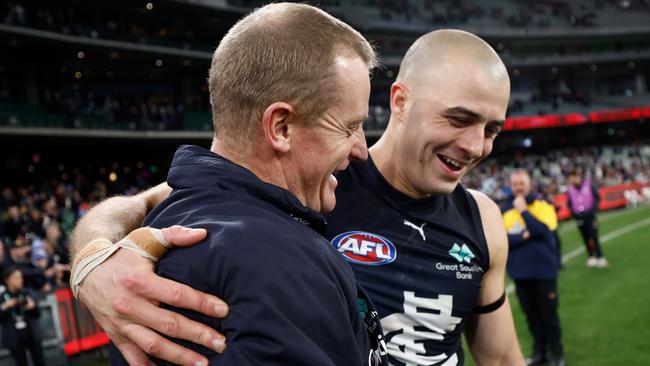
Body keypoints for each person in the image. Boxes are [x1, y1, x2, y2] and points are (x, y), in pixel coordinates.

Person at [71, 29, 526, 365]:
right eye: (459, 119)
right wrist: (91, 261)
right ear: (401, 101)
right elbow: (138, 206)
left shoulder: (482, 220)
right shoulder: (316, 180)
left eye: (492, 130)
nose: (476, 146)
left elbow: (501, 358)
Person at [72, 3, 386, 365]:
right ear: (281, 127)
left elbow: (147, 198)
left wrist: (89, 253)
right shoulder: (278, 262)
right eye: (348, 127)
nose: (362, 148)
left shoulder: (172, 215)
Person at [502, 170, 565, 366]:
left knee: (549, 316)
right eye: (514, 183)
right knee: (532, 317)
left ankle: (557, 353)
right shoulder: (504, 210)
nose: (518, 187)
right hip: (520, 275)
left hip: (543, 273)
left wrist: (524, 212)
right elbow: (503, 240)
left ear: (530, 184)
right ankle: (539, 352)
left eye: (521, 182)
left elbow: (543, 232)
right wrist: (524, 236)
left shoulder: (543, 205)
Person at [0, 266, 45, 366]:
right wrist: (4, 307)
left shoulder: (26, 292)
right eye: (16, 277)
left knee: (39, 361)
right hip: (13, 336)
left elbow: (38, 314)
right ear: (7, 280)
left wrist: (32, 306)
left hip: (31, 333)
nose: (20, 280)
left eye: (21, 277)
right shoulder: (2, 296)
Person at [567, 170, 608, 268]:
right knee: (585, 237)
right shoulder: (570, 190)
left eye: (573, 177)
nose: (571, 180)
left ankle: (600, 256)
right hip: (580, 218)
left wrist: (593, 210)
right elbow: (569, 204)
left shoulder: (588, 185)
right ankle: (591, 256)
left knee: (594, 236)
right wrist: (575, 214)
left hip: (590, 216)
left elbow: (597, 197)